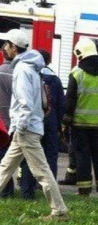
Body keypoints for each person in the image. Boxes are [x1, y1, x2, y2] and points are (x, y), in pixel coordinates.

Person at [0, 29, 68, 220]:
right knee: (5, 167)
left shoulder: (22, 69)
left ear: (14, 47)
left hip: (26, 129)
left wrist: (19, 128)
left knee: (42, 171)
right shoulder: (31, 67)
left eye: (6, 44)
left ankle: (59, 210)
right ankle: (59, 210)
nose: (4, 47)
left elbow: (25, 102)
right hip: (28, 127)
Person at [62, 37, 98, 198]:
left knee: (82, 157)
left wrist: (65, 123)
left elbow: (70, 101)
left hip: (80, 125)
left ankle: (84, 191)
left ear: (80, 55)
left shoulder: (76, 74)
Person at [19, 50, 66, 199]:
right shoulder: (55, 79)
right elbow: (61, 105)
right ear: (49, 61)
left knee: (29, 156)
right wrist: (58, 125)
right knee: (51, 155)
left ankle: (27, 189)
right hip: (51, 121)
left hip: (33, 120)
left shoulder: (31, 75)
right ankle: (48, 190)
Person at [0, 41, 14, 198]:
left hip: (2, 123)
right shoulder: (22, 71)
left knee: (3, 158)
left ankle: (6, 191)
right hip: (16, 122)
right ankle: (27, 192)